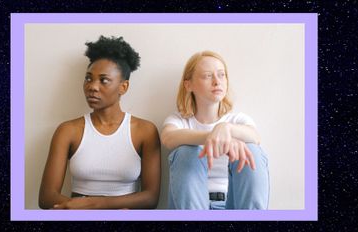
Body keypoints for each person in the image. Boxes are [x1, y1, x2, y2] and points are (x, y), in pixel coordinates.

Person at [39, 36, 161, 209]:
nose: (93, 87)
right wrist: (86, 209)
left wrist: (94, 204)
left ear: (123, 87)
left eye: (104, 80)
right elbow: (46, 197)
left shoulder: (145, 131)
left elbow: (151, 198)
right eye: (88, 78)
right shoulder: (68, 130)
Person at [161, 51, 269, 210]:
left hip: (233, 204)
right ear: (188, 85)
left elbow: (255, 137)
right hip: (192, 205)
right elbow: (168, 138)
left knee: (251, 149)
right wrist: (211, 137)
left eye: (221, 75)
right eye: (207, 76)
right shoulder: (179, 121)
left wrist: (226, 128)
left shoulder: (237, 120)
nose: (217, 82)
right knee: (185, 152)